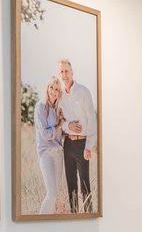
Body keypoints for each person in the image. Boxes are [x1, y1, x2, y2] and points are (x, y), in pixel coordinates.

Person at [56, 57, 96, 213]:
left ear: (72, 72)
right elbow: (60, 121)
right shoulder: (60, 96)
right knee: (71, 183)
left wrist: (89, 146)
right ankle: (74, 216)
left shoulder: (83, 92)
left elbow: (92, 119)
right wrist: (68, 125)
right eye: (61, 72)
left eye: (66, 71)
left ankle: (89, 215)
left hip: (82, 144)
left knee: (85, 184)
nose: (64, 75)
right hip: (68, 144)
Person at [34, 78, 67, 215]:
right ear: (47, 88)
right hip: (46, 153)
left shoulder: (59, 110)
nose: (53, 91)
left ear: (59, 93)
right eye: (51, 88)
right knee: (51, 193)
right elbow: (45, 134)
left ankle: (49, 226)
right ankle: (38, 224)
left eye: (56, 89)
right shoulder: (40, 107)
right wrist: (59, 126)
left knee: (55, 195)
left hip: (58, 154)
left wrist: (64, 125)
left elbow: (61, 135)